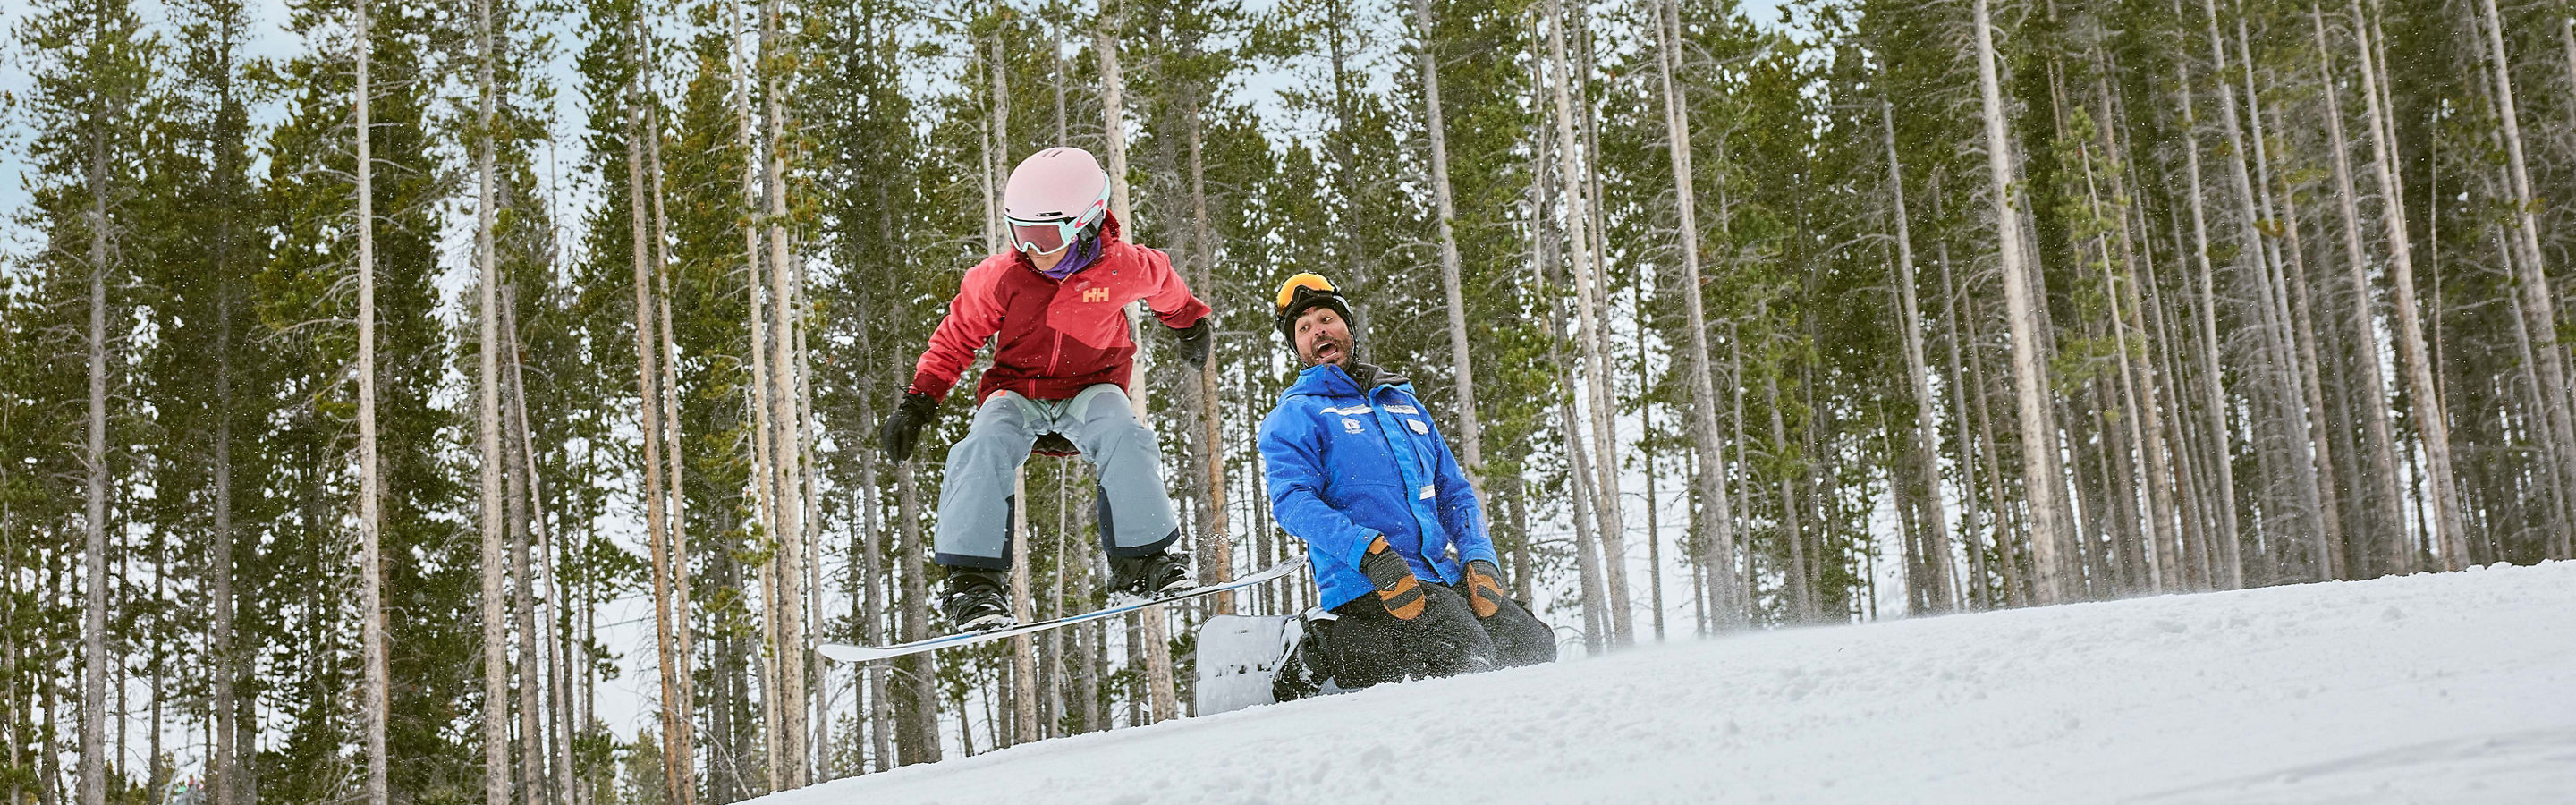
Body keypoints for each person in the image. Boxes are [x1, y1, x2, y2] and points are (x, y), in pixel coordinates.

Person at [879, 146, 1213, 631]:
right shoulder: (1001, 278)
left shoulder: (1122, 267)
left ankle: (1143, 562)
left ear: (1088, 225)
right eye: (1021, 234)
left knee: (1125, 432)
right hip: (1018, 391)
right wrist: (920, 401)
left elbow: (1166, 284)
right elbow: (957, 337)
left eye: (1044, 236)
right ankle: (974, 584)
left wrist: (1189, 325)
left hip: (1092, 388)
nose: (1031, 250)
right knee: (983, 442)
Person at [1256, 273, 1554, 699]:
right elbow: (1293, 503)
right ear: (1299, 349)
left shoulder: (1401, 402)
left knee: (1533, 647)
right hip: (1364, 579)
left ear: (1348, 328)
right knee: (1469, 664)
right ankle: (1323, 644)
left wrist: (1478, 557)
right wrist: (1370, 552)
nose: (1318, 329)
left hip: (1437, 574)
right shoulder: (1296, 414)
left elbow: (1453, 491)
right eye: (1304, 328)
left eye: (1327, 318)